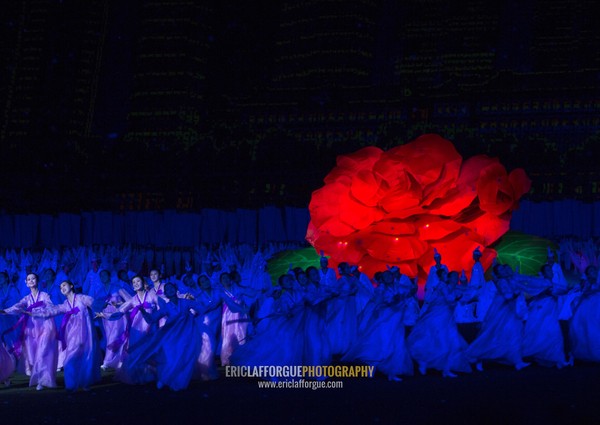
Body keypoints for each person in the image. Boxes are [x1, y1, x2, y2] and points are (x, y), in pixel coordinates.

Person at [120, 282, 208, 391]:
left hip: (186, 335)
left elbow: (202, 309)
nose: (170, 290)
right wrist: (143, 311)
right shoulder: (166, 307)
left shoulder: (185, 302)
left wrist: (196, 305)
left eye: (172, 288)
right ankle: (165, 378)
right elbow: (151, 319)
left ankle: (179, 380)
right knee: (170, 357)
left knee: (184, 356)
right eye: (167, 289)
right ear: (165, 293)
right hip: (170, 336)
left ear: (176, 290)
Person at [28, 280, 101, 391]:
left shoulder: (81, 298)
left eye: (64, 285)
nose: (62, 288)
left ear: (71, 286)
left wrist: (104, 307)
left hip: (85, 335)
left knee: (86, 358)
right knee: (69, 360)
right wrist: (35, 313)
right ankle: (71, 385)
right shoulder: (65, 305)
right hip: (72, 337)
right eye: (60, 287)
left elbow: (93, 302)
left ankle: (85, 383)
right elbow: (52, 311)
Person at [466, 264, 530, 371]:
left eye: (503, 269)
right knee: (494, 335)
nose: (503, 271)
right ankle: (478, 357)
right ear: (498, 273)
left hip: (508, 311)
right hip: (502, 312)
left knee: (513, 335)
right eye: (500, 270)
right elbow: (507, 296)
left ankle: (517, 361)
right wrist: (516, 294)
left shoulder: (507, 280)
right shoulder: (501, 282)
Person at [408, 270, 471, 377]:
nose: (456, 278)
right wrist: (458, 296)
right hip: (437, 316)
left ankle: (446, 368)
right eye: (453, 276)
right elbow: (449, 298)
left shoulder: (450, 286)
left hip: (447, 317)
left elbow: (463, 294)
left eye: (457, 276)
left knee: (451, 341)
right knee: (438, 340)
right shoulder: (442, 286)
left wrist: (463, 287)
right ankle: (425, 362)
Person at [0, 273, 58, 390]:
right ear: (26, 283)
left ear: (37, 280)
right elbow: (17, 306)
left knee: (43, 351)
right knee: (35, 354)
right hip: (32, 328)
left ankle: (43, 380)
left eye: (33, 278)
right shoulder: (27, 298)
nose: (31, 280)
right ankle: (40, 377)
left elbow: (51, 306)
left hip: (45, 326)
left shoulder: (44, 295)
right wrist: (4, 311)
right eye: (28, 279)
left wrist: (43, 312)